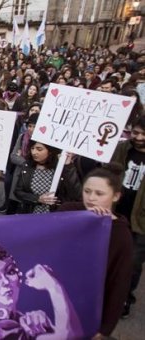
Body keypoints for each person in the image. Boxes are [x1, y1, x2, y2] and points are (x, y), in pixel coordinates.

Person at [58, 165, 134, 338]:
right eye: (87, 191)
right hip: (55, 295)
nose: (91, 198)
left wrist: (105, 328)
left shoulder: (121, 235)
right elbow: (36, 232)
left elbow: (119, 283)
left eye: (99, 194)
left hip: (85, 307)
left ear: (116, 196)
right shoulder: (68, 211)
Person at [0, 244, 82, 339]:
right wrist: (53, 286)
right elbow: (70, 336)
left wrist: (46, 328)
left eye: (10, 272)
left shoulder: (18, 318)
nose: (6, 281)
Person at [110, 115, 145, 318]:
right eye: (135, 133)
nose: (138, 137)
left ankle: (125, 298)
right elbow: (111, 171)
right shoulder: (123, 149)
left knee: (132, 263)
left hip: (140, 221)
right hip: (116, 211)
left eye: (143, 134)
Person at [13, 142, 81, 214]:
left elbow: (76, 194)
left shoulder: (60, 168)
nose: (34, 152)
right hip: (31, 214)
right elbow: (18, 192)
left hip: (55, 215)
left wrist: (67, 166)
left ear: (50, 151)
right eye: (32, 148)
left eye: (39, 149)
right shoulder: (27, 166)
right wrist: (37, 199)